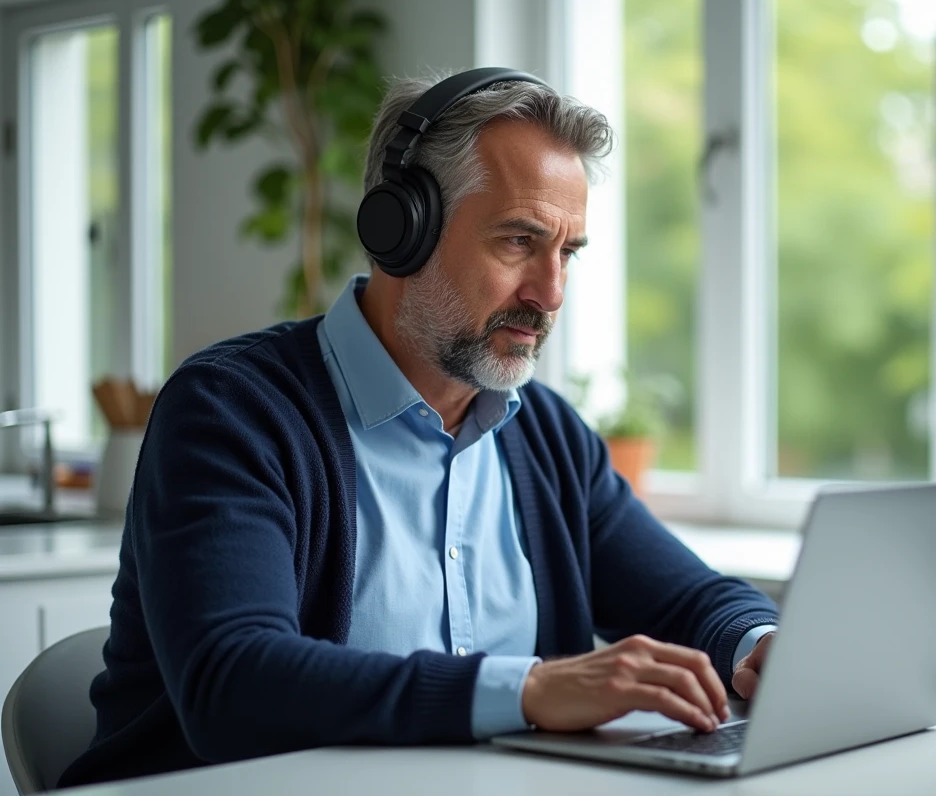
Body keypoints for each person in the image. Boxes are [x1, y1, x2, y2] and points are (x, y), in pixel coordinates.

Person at [59, 68, 779, 788]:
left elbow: (691, 599)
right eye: (519, 241)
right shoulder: (232, 411)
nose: (550, 293)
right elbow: (234, 683)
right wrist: (527, 691)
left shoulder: (547, 435)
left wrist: (760, 643)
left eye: (568, 253)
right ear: (399, 231)